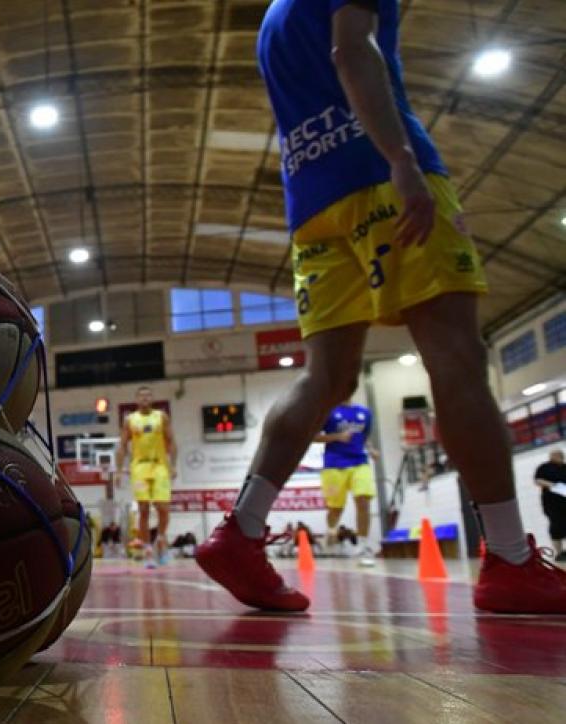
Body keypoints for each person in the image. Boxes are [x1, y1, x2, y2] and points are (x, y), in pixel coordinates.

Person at [196, 0, 566, 613]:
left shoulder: (274, 17)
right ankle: (512, 558)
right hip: (376, 173)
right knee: (456, 355)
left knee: (327, 378)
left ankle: (242, 530)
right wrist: (400, 159)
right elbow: (352, 49)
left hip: (311, 206)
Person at [116, 387, 177, 569]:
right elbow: (122, 446)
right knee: (143, 509)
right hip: (140, 467)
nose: (145, 398)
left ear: (152, 398)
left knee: (163, 508)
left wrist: (173, 465)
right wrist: (119, 470)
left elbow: (172, 441)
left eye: (148, 395)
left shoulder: (161, 417)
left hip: (160, 466)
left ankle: (161, 540)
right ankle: (148, 549)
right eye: (141, 396)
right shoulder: (130, 420)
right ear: (136, 399)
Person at [315, 399, 381, 565]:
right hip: (334, 465)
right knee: (335, 509)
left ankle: (364, 545)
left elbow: (364, 437)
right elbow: (314, 437)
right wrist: (337, 436)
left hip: (359, 462)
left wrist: (371, 449)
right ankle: (331, 532)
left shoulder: (364, 412)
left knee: (363, 501)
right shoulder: (327, 411)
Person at [533, 449, 566, 562]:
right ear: (552, 456)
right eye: (558, 455)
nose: (561, 457)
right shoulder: (544, 467)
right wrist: (552, 485)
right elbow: (538, 481)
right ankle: (559, 552)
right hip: (552, 503)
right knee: (556, 525)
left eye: (562, 455)